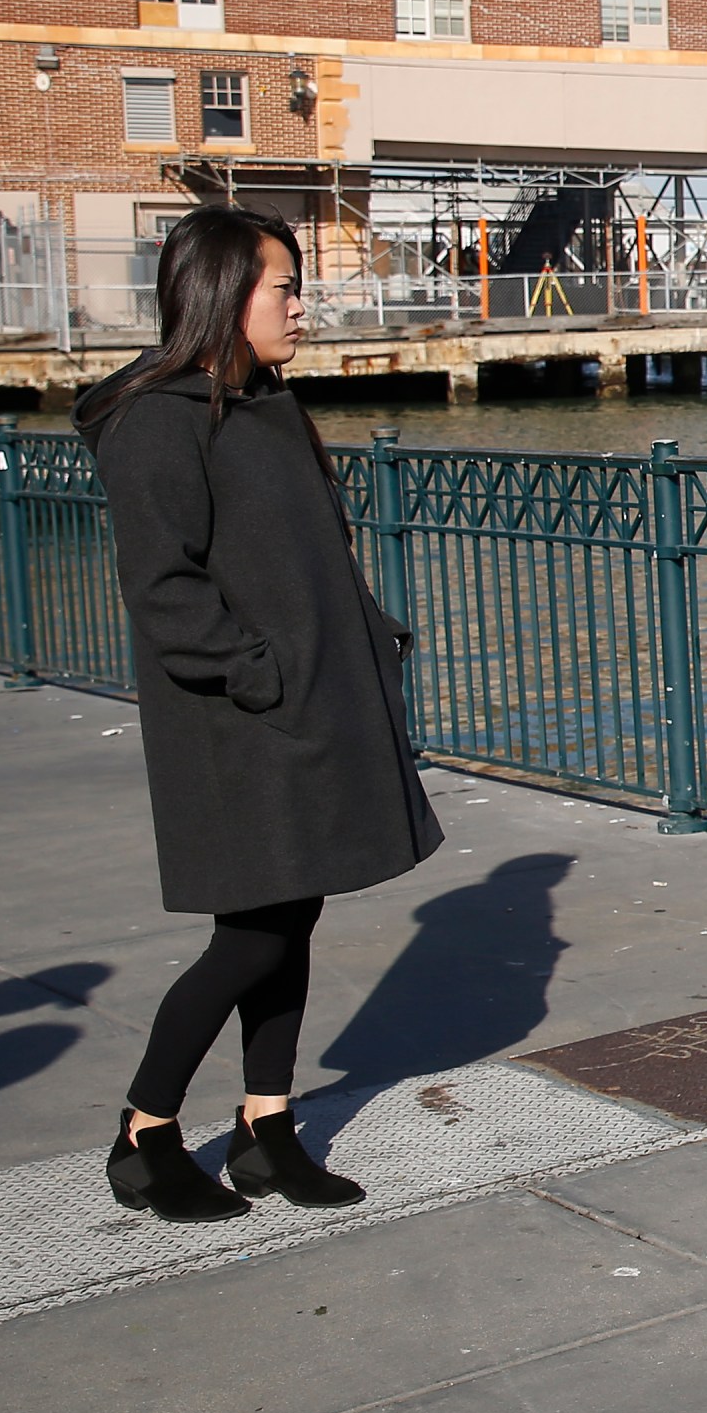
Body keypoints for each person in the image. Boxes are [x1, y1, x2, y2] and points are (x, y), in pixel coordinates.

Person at [74, 207, 443, 1220]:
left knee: (295, 917)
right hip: (241, 725)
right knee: (250, 937)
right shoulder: (159, 418)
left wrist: (370, 640)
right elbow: (165, 588)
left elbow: (308, 558)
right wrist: (259, 674)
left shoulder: (262, 404)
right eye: (283, 286)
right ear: (225, 294)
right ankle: (146, 1132)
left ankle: (266, 1128)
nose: (299, 304)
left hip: (308, 704)